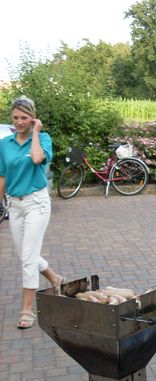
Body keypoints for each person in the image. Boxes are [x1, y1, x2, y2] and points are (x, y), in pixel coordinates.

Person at [0, 96, 64, 329]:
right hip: (14, 205)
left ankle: (27, 310)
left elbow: (37, 158)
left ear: (33, 118)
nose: (19, 122)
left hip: (37, 203)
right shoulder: (5, 144)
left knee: (28, 257)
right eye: (15, 117)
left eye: (24, 118)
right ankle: (55, 278)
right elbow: (2, 175)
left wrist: (35, 132)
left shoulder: (43, 139)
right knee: (26, 255)